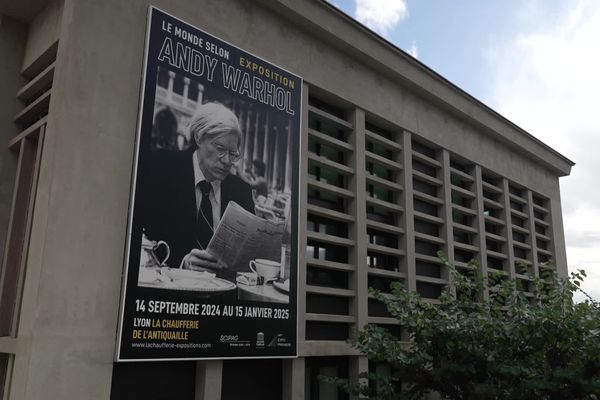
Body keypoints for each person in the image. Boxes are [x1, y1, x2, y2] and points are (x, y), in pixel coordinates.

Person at [140, 102, 255, 274]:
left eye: (233, 154)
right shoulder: (158, 168)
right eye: (220, 148)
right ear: (199, 137)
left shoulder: (242, 191)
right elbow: (142, 239)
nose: (226, 161)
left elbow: (248, 257)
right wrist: (182, 263)